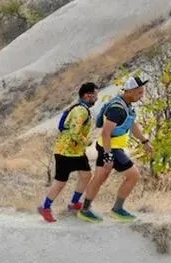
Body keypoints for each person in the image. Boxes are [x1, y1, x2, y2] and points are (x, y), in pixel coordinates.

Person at [80, 76, 152, 223]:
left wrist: (144, 141)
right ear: (129, 91)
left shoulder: (127, 105)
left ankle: (85, 209)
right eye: (139, 92)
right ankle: (117, 209)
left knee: (99, 177)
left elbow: (132, 125)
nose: (141, 96)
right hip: (111, 148)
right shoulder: (117, 109)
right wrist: (108, 156)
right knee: (133, 175)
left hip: (110, 147)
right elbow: (106, 133)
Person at [40, 82, 99, 223]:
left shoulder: (80, 108)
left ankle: (74, 203)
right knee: (60, 182)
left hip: (76, 151)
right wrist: (86, 141)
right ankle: (45, 207)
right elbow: (74, 132)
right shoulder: (81, 111)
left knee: (86, 175)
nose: (97, 98)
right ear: (87, 95)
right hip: (66, 152)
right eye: (95, 95)